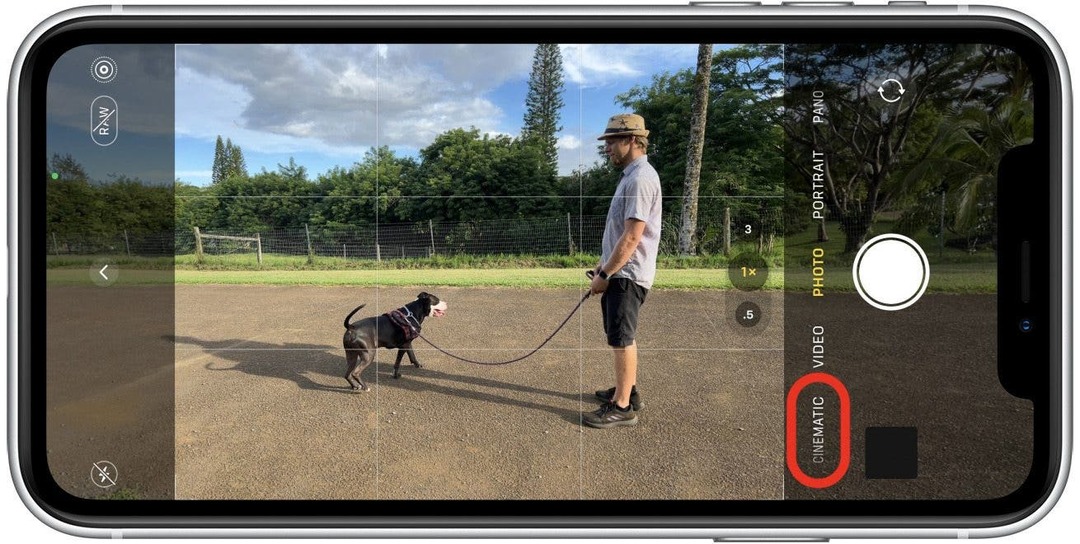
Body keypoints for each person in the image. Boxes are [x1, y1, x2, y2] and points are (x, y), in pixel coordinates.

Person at [584, 113, 662, 429]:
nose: (607, 148)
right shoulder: (632, 175)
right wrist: (604, 264)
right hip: (620, 271)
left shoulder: (641, 178)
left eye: (612, 142)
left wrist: (606, 276)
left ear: (631, 140)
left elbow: (633, 235)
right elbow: (621, 232)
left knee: (621, 337)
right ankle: (627, 390)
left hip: (627, 276)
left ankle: (623, 406)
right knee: (620, 335)